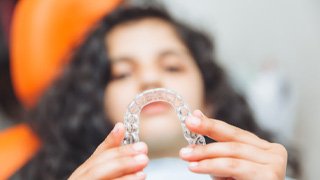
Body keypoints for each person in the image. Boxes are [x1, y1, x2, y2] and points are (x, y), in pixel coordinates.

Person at [16, 5, 291, 179]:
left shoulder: (261, 173)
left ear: (212, 98)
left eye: (172, 67)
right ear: (95, 105)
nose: (149, 79)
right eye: (122, 73)